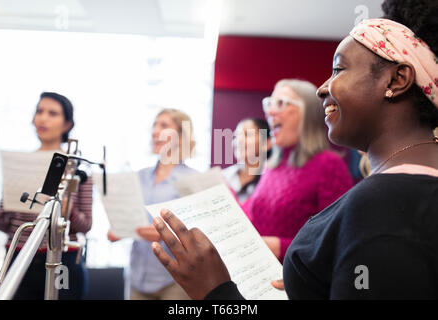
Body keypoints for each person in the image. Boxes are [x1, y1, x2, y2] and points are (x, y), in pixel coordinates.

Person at [149, 0, 438, 299]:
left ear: (397, 79)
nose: (323, 87)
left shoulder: (382, 207)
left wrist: (215, 292)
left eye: (339, 69)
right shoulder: (397, 196)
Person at [0, 92, 93, 300]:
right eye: (39, 111)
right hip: (19, 257)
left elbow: (85, 225)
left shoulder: (79, 168)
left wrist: (66, 208)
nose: (43, 118)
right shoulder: (18, 164)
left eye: (52, 113)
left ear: (67, 124)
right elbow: (3, 222)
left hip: (63, 260)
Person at [239, 79, 353, 262]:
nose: (270, 111)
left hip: (297, 281)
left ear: (307, 113)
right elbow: (254, 215)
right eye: (269, 103)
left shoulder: (328, 164)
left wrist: (281, 247)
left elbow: (338, 239)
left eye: (281, 103)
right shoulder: (272, 165)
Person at [109, 108, 197, 300]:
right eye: (154, 125)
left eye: (164, 126)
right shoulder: (138, 177)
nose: (155, 131)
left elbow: (197, 233)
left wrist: (165, 234)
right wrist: (118, 229)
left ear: (181, 136)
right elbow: (121, 222)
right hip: (136, 278)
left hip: (175, 280)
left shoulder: (193, 180)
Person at [222, 118, 272, 203]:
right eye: (236, 136)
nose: (239, 140)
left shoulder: (271, 181)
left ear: (266, 143)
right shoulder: (223, 177)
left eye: (247, 134)